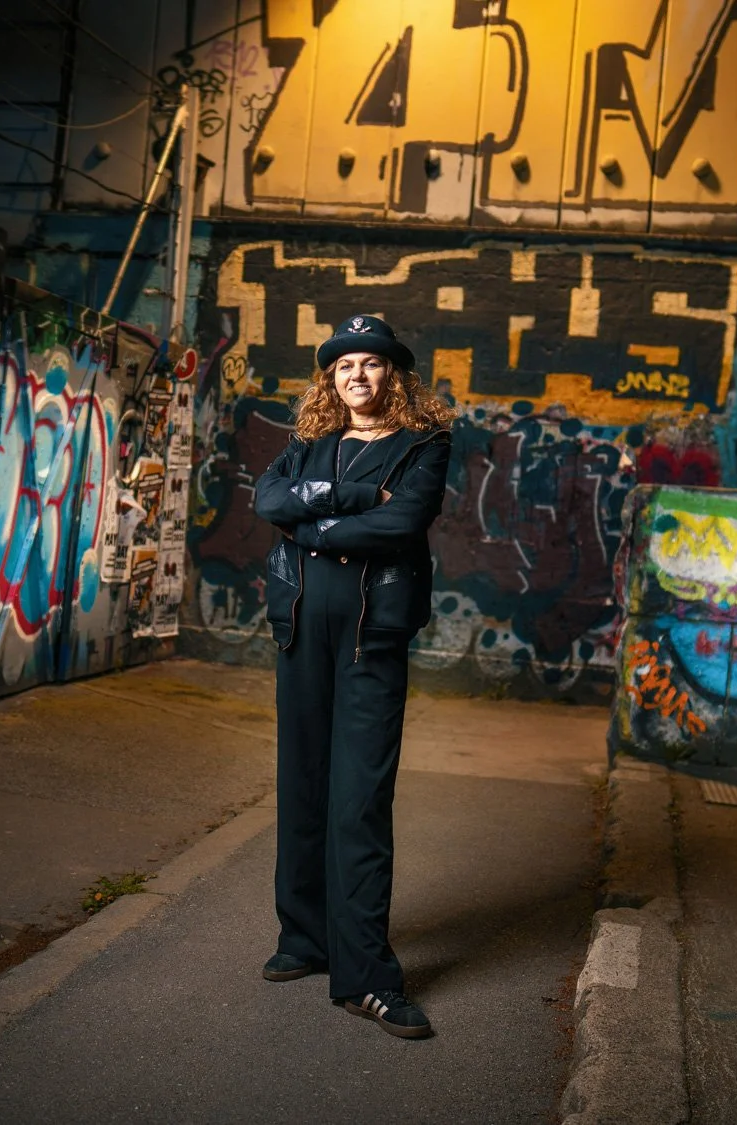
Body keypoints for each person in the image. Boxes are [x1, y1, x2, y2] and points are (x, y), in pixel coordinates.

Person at [252, 314, 455, 1039]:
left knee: (359, 799)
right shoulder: (309, 442)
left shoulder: (424, 444)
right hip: (303, 629)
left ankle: (364, 977)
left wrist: (314, 519)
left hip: (373, 637)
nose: (358, 377)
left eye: (371, 364)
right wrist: (351, 502)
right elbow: (267, 501)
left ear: (393, 375)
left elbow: (400, 526)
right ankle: (305, 938)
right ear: (330, 380)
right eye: (344, 367)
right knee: (303, 786)